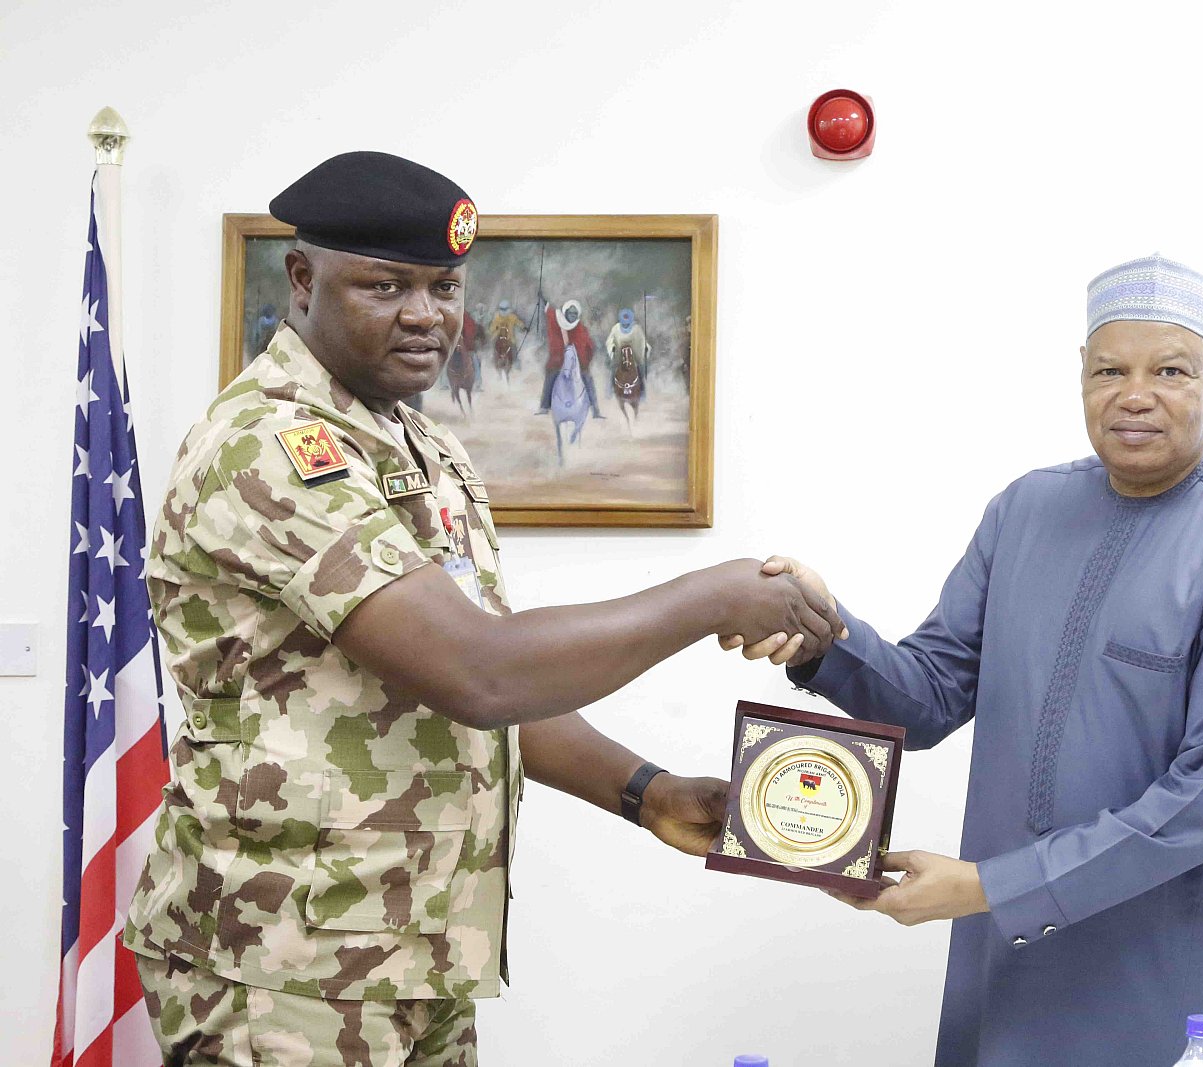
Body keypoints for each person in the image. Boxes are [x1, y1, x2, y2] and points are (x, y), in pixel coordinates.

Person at [123, 150, 841, 1065]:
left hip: (412, 954)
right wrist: (713, 593)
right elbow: (481, 669)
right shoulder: (271, 442)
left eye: (444, 286)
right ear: (300, 278)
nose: (426, 315)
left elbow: (477, 681)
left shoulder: (418, 441)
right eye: (385, 285)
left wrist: (643, 790)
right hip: (283, 970)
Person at [730, 255, 1203, 1067]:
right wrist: (822, 635)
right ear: (1080, 374)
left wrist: (985, 890)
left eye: (1171, 370)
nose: (1136, 394)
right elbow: (931, 694)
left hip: (1186, 971)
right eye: (1110, 369)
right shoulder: (1026, 511)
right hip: (1019, 961)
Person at [537, 299, 603, 418]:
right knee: (550, 379)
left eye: (574, 314)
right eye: (570, 313)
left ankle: (595, 409)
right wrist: (543, 299)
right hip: (557, 362)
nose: (572, 316)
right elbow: (549, 310)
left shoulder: (581, 329)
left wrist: (586, 361)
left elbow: (589, 346)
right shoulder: (556, 320)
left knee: (588, 380)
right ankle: (544, 406)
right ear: (566, 313)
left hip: (579, 364)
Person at [605, 307, 652, 402]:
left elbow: (642, 341)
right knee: (613, 370)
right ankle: (610, 389)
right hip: (619, 354)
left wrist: (646, 347)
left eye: (627, 318)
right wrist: (612, 347)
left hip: (634, 355)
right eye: (624, 318)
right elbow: (610, 340)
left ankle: (642, 392)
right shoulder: (616, 328)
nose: (625, 321)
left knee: (640, 370)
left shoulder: (636, 329)